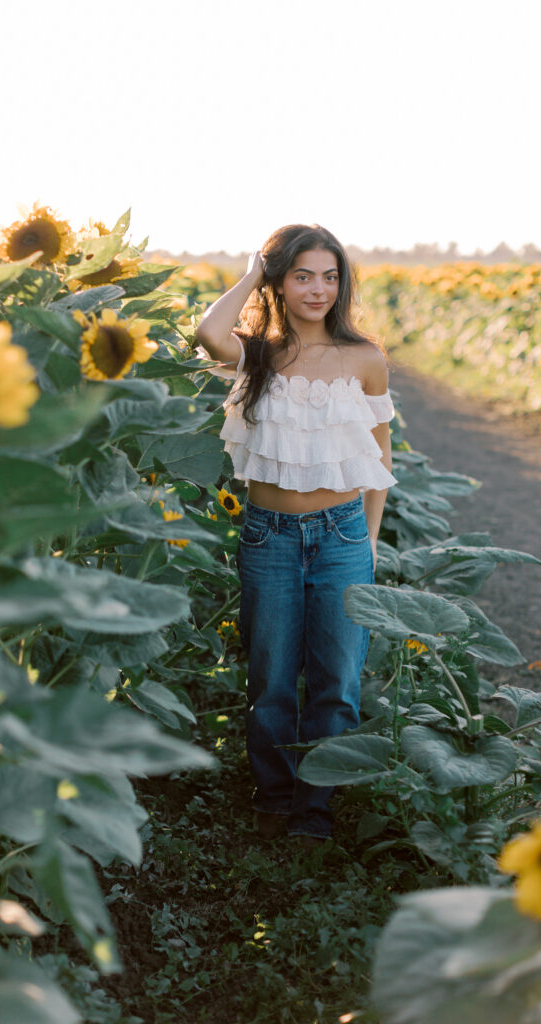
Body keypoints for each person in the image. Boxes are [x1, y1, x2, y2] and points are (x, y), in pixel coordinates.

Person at [195, 224, 397, 844]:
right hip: (269, 536)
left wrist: (366, 536)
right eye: (303, 275)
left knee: (337, 679)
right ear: (281, 282)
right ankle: (276, 795)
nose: (318, 289)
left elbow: (380, 458)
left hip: (340, 535)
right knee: (272, 677)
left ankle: (317, 811)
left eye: (330, 276)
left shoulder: (365, 358)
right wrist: (254, 270)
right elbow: (207, 334)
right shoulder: (258, 353)